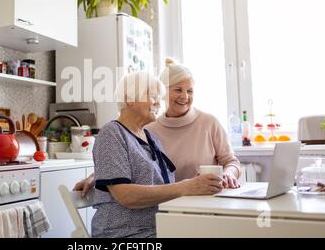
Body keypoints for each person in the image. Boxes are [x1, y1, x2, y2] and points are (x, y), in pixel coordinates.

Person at [75, 58, 241, 197]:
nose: (185, 96)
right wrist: (96, 176)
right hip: (169, 208)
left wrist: (228, 174)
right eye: (178, 90)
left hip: (201, 202)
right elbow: (126, 165)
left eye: (190, 91)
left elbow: (231, 162)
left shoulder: (208, 123)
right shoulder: (147, 129)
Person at [90, 72, 222, 238]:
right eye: (153, 96)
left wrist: (196, 184)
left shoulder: (150, 137)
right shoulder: (112, 133)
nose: (159, 103)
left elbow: (162, 185)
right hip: (124, 233)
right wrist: (187, 186)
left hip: (160, 228)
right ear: (129, 98)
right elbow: (126, 195)